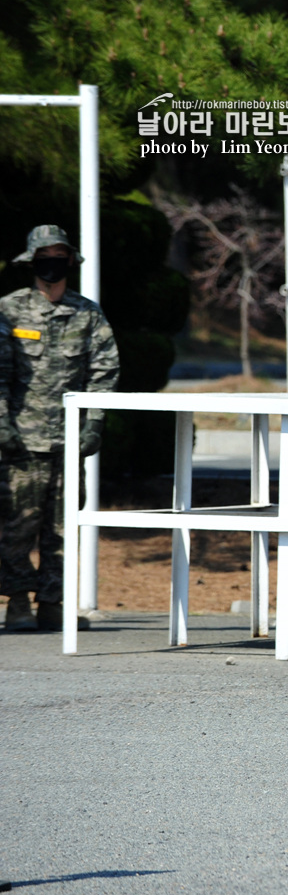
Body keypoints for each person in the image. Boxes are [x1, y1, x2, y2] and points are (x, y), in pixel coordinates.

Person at [1, 225, 118, 632]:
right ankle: (16, 602)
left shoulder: (87, 313)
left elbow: (105, 370)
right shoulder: (10, 310)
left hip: (68, 441)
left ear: (70, 261)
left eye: (59, 255)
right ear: (32, 262)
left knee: (63, 529)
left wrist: (94, 424)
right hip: (21, 440)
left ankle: (53, 602)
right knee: (16, 525)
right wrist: (2, 424)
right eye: (45, 256)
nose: (52, 263)